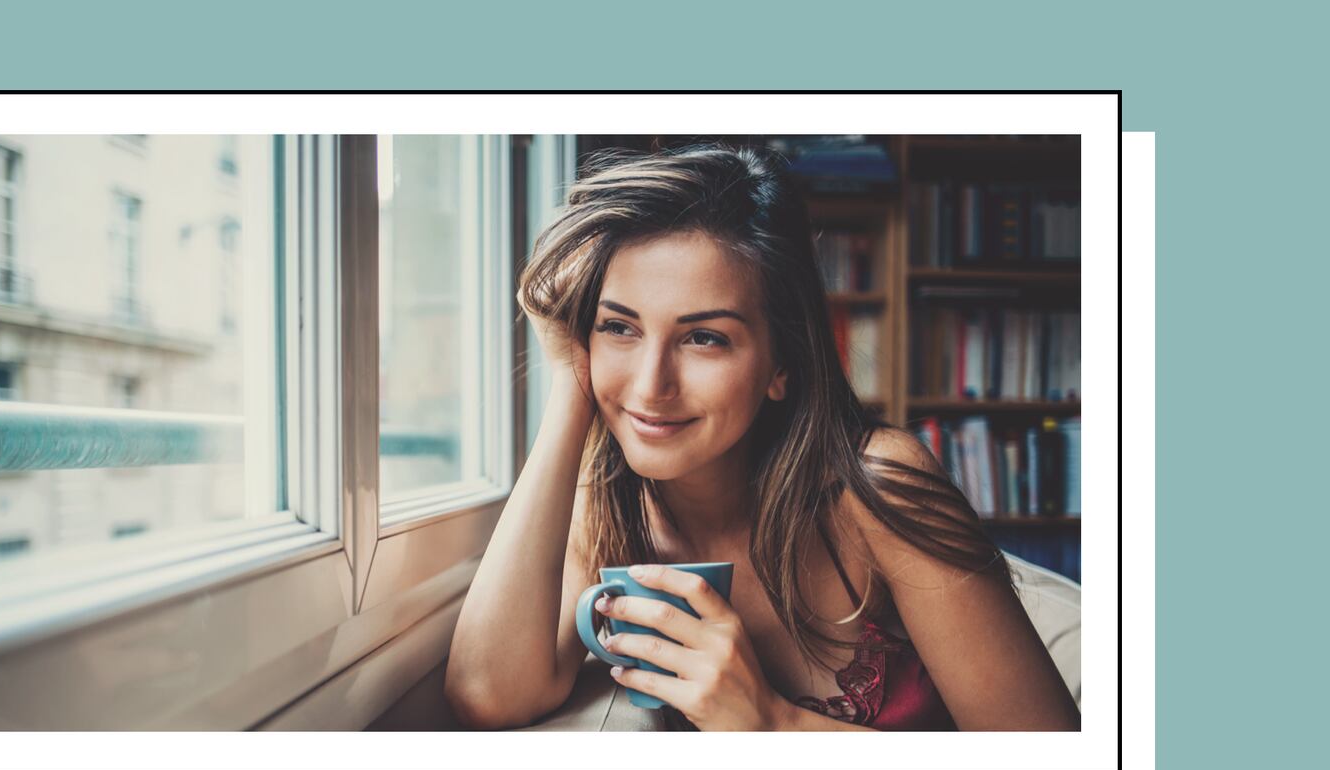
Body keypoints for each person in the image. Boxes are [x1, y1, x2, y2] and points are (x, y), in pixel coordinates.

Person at [443, 143, 1081, 732]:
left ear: (781, 364)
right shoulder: (608, 494)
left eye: (704, 338)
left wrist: (773, 724)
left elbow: (1045, 769)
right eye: (619, 328)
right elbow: (485, 693)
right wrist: (570, 382)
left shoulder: (880, 484)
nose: (650, 386)